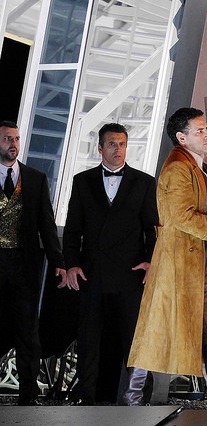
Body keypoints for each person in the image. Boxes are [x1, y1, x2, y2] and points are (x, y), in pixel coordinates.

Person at [126, 107, 207, 410]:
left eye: (206, 129)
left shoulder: (192, 163)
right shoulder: (177, 167)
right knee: (157, 328)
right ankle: (132, 398)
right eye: (199, 131)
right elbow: (181, 216)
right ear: (181, 138)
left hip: (198, 265)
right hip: (179, 265)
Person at [62, 123, 158, 405]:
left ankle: (138, 399)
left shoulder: (144, 182)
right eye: (113, 144)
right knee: (89, 339)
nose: (118, 149)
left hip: (130, 275)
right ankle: (85, 397)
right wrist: (71, 264)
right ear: (100, 148)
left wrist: (151, 261)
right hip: (92, 273)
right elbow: (73, 228)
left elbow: (153, 228)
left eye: (123, 144)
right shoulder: (83, 180)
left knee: (134, 339)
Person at [0, 120, 66, 405]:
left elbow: (47, 225)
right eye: (7, 138)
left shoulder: (35, 179)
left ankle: (28, 395)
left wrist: (58, 261)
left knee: (28, 331)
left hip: (24, 265)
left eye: (16, 138)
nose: (13, 144)